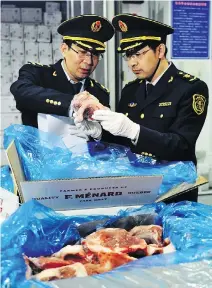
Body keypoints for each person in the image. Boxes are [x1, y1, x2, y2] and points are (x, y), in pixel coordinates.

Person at [91, 14, 209, 203]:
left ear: (160, 50)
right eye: (128, 55)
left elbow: (181, 145)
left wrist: (135, 131)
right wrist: (99, 132)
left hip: (174, 194)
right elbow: (123, 143)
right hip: (136, 191)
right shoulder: (131, 90)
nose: (132, 63)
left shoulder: (191, 88)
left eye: (138, 54)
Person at [10, 14, 114, 141]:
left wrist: (98, 135)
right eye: (82, 52)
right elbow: (20, 91)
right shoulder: (38, 74)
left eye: (96, 54)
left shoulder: (99, 93)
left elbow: (108, 142)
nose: (89, 61)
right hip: (39, 158)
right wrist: (71, 103)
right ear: (64, 49)